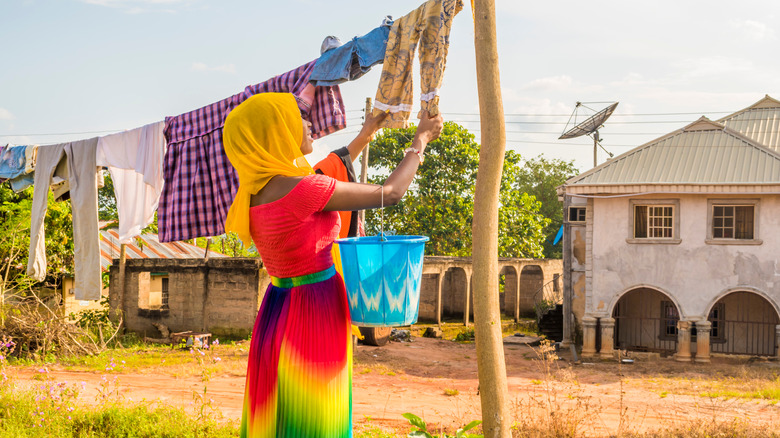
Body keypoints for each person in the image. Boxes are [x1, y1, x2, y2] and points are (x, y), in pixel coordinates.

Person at [222, 92, 443, 438]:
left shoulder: (252, 193)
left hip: (276, 309)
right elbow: (391, 193)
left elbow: (331, 169)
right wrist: (420, 141)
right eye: (298, 119)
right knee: (316, 416)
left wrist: (367, 132)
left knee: (282, 413)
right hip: (316, 309)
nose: (309, 125)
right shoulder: (305, 189)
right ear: (277, 132)